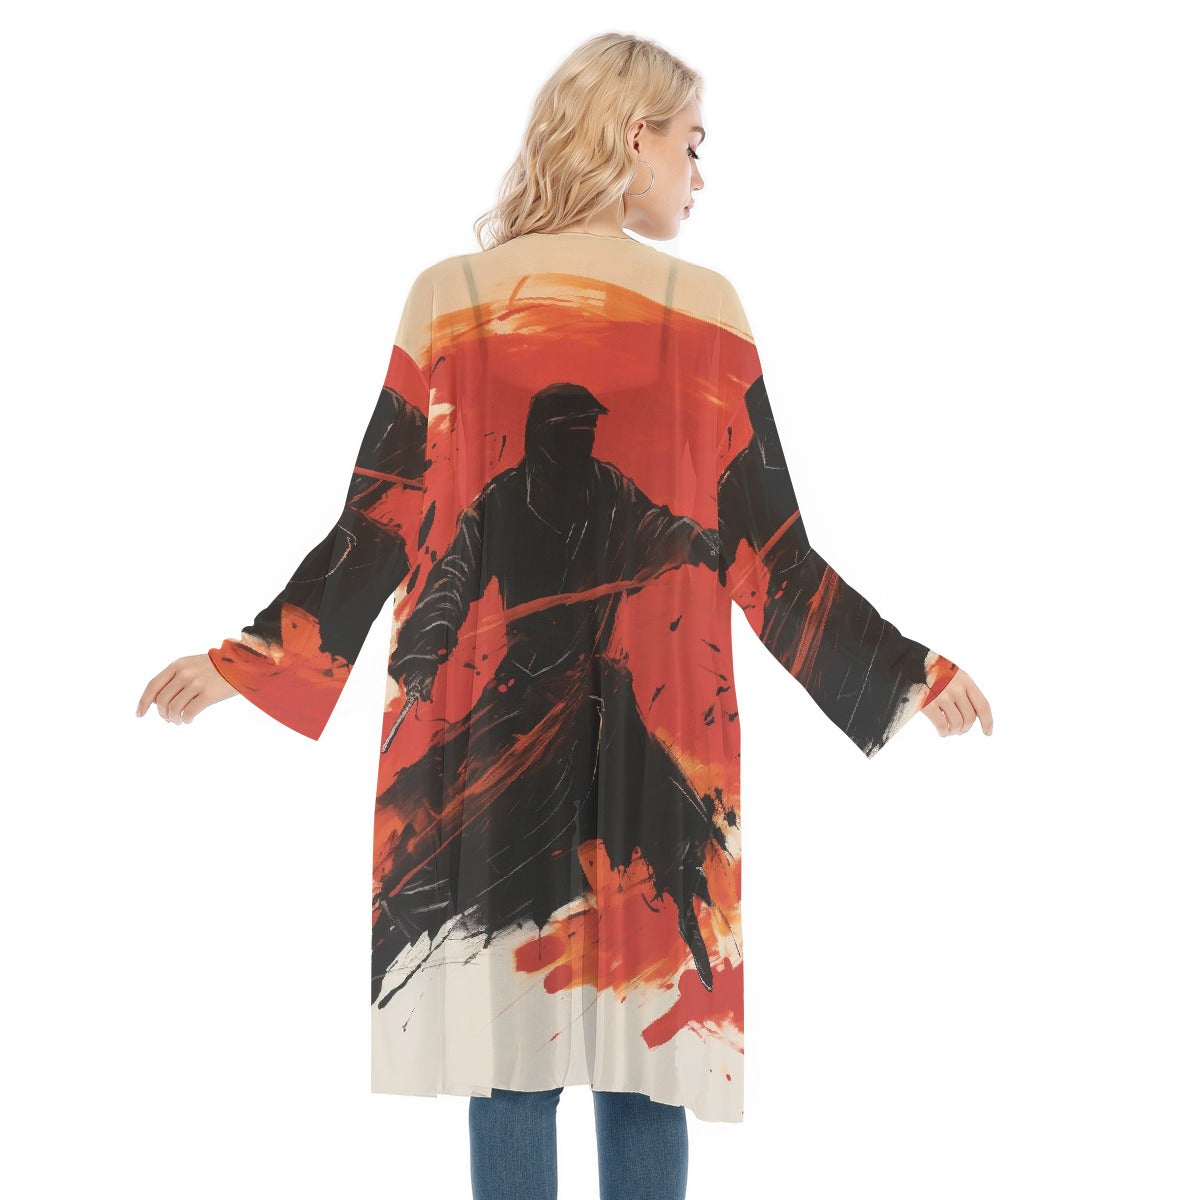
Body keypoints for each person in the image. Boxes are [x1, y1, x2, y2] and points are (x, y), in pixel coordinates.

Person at [136, 31, 992, 1200]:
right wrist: (251, 658)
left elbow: (738, 547)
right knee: (545, 1048)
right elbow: (409, 538)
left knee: (616, 1046)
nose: (700, 173)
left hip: (628, 720)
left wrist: (900, 670)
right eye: (692, 144)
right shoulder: (547, 318)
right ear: (635, 139)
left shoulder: (539, 317)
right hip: (502, 714)